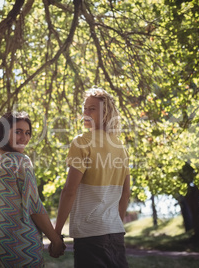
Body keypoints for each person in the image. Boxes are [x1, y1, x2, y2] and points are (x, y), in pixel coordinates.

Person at [0, 111, 65, 267]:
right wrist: (55, 240)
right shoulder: (20, 161)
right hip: (19, 246)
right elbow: (34, 207)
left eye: (27, 133)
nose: (24, 138)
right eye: (18, 132)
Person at [54, 87, 131, 267]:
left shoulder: (82, 142)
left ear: (106, 113)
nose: (85, 113)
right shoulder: (121, 148)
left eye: (92, 109)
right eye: (85, 108)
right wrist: (114, 223)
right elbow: (125, 194)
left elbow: (69, 191)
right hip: (115, 234)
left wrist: (56, 232)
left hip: (90, 235)